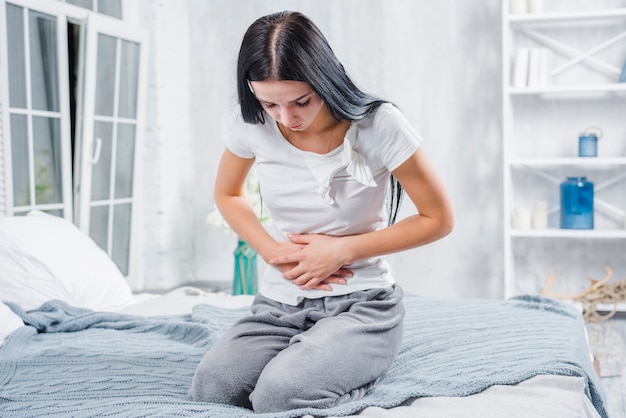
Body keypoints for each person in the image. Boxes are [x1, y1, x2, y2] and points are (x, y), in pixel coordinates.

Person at [190, 10, 454, 413]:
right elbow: (228, 193)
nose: (286, 118)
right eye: (269, 103)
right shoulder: (251, 122)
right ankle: (315, 358)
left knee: (279, 396)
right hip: (279, 304)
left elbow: (439, 218)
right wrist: (270, 250)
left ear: (324, 78)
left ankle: (352, 363)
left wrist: (341, 251)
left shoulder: (378, 124)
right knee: (213, 389)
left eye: (301, 101)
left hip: (362, 302)